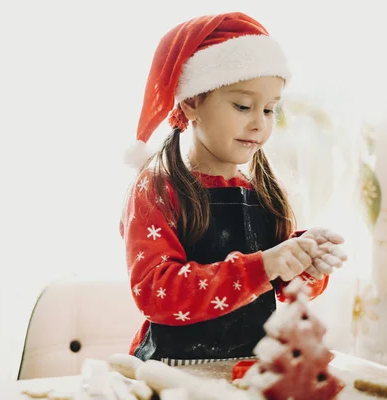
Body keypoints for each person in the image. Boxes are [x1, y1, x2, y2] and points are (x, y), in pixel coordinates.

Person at [119, 12, 347, 366]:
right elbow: (155, 293)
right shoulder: (156, 189)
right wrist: (262, 265)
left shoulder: (266, 190)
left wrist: (304, 261)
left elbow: (280, 286)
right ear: (192, 101)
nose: (259, 123)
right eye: (243, 106)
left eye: (271, 109)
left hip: (251, 371)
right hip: (172, 372)